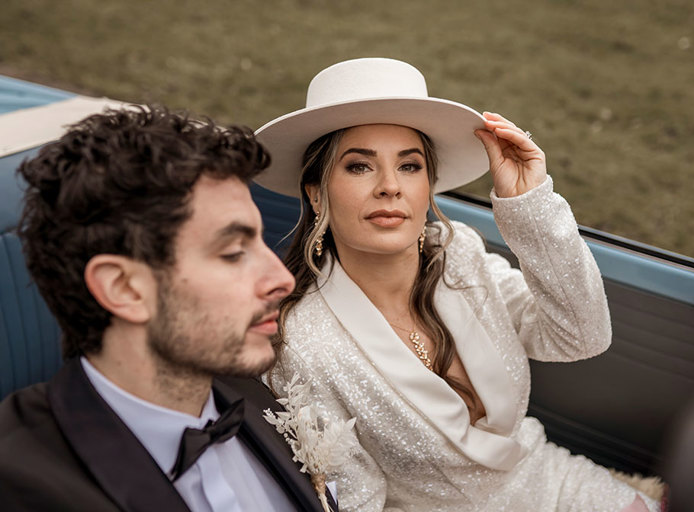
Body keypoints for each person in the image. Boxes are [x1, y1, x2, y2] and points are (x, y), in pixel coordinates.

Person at [255, 58, 660, 511]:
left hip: (545, 476)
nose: (390, 186)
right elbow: (355, 501)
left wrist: (529, 204)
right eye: (359, 167)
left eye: (409, 166)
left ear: (429, 184)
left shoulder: (459, 254)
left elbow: (581, 337)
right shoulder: (301, 345)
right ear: (315, 191)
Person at [0, 106, 337, 512]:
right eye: (233, 252)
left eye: (262, 242)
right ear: (124, 288)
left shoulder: (257, 396)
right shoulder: (21, 486)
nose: (282, 280)